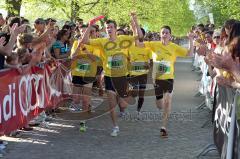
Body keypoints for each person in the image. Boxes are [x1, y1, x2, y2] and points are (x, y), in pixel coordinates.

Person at [81, 13, 143, 137]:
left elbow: (140, 36)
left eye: (111, 27)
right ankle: (115, 127)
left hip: (122, 77)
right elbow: (84, 41)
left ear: (115, 28)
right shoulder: (102, 41)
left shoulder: (123, 39)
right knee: (111, 105)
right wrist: (89, 26)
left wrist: (135, 21)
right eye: (107, 27)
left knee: (122, 103)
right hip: (109, 76)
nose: (109, 29)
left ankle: (124, 102)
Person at [144, 25, 194, 138]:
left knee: (167, 102)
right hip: (157, 78)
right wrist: (135, 26)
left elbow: (190, 54)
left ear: (170, 35)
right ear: (160, 34)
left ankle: (164, 127)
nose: (165, 34)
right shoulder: (153, 45)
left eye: (167, 33)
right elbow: (139, 44)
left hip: (169, 78)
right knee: (160, 105)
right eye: (163, 32)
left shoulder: (174, 47)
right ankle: (159, 102)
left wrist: (191, 39)